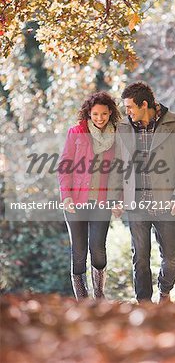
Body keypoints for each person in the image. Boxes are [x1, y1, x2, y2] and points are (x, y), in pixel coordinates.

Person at [108, 82, 175, 303]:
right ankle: (144, 304)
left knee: (171, 258)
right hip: (135, 202)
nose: (127, 112)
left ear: (144, 104)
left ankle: (165, 292)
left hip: (166, 200)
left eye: (130, 107)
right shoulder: (123, 127)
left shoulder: (174, 121)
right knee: (140, 258)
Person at [58, 91, 121, 300]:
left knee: (98, 249)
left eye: (103, 114)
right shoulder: (76, 132)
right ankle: (82, 300)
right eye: (95, 114)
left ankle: (100, 295)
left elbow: (118, 173)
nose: (100, 118)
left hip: (101, 203)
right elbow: (64, 166)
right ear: (89, 113)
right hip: (75, 202)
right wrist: (66, 196)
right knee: (79, 252)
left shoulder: (116, 137)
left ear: (110, 113)